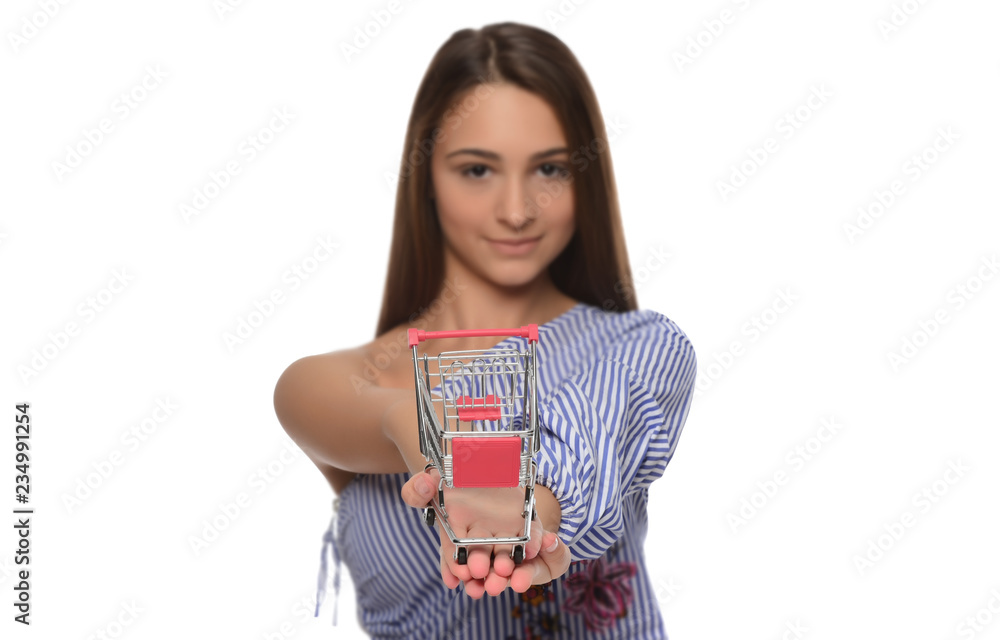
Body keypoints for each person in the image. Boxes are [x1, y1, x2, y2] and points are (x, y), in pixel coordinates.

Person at [272, 21, 698, 639]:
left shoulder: (641, 347)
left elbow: (593, 428)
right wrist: (418, 427)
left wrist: (527, 510)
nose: (517, 210)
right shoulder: (340, 383)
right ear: (426, 177)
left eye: (550, 169)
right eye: (478, 170)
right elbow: (324, 399)